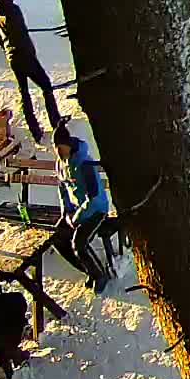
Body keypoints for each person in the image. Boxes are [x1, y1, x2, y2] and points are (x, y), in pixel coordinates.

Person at [0, 0, 59, 143]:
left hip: (13, 58)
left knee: (24, 93)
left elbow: (0, 37)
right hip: (25, 55)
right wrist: (30, 52)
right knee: (46, 84)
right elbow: (21, 33)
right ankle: (56, 122)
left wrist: (9, 52)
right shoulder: (13, 9)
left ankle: (35, 131)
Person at [50, 125, 110, 292]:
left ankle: (100, 275)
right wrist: (66, 212)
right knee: (58, 237)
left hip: (96, 210)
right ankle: (88, 270)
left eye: (60, 148)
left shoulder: (84, 164)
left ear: (68, 144)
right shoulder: (60, 163)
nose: (59, 153)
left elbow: (94, 197)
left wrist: (77, 218)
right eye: (56, 149)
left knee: (79, 243)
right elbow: (62, 188)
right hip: (76, 210)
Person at [0, 280, 27, 379]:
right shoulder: (14, 300)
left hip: (0, 336)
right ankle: (15, 369)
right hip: (11, 333)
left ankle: (11, 372)